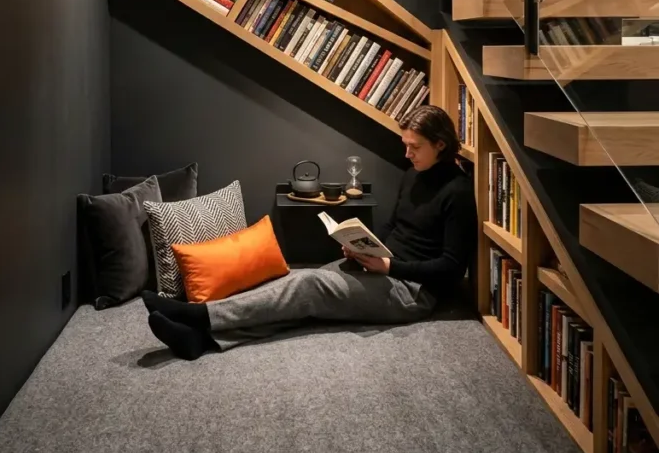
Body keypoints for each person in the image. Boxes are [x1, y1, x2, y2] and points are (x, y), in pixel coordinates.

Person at [142, 105, 478, 360]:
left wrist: (390, 268)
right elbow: (395, 226)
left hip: (413, 291)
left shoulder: (458, 192)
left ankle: (201, 315)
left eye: (415, 147)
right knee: (296, 294)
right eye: (405, 145)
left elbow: (451, 267)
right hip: (381, 266)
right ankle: (200, 339)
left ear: (440, 144)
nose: (407, 154)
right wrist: (365, 247)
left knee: (307, 284)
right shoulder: (414, 173)